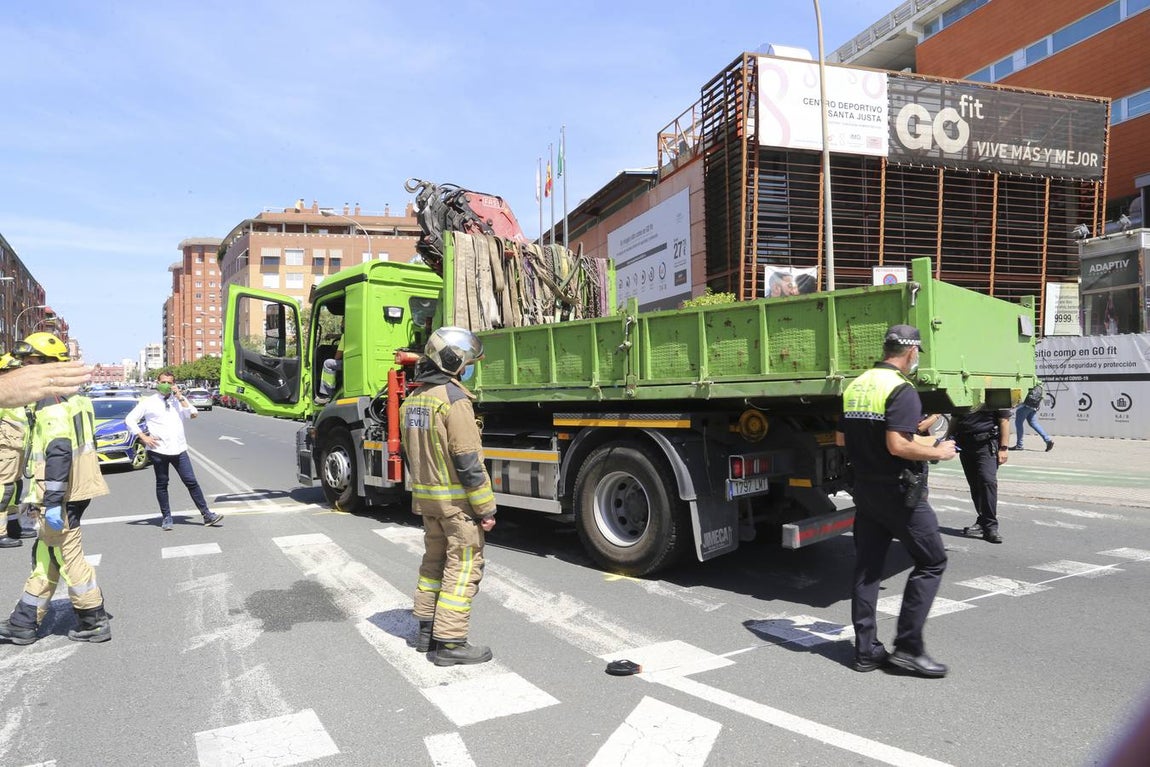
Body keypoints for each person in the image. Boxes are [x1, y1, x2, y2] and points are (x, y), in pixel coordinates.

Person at [838, 324, 956, 678]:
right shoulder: (902, 390)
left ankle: (865, 652)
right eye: (917, 353)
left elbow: (842, 439)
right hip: (899, 492)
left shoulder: (855, 385)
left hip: (865, 489)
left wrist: (905, 433)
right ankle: (907, 649)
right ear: (910, 352)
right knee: (932, 560)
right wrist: (938, 451)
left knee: (868, 567)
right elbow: (897, 446)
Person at [0, 333, 112, 644]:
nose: (24, 370)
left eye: (30, 363)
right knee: (47, 554)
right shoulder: (76, 398)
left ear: (49, 365)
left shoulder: (52, 402)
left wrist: (51, 501)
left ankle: (92, 618)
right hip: (76, 488)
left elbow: (59, 451)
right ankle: (24, 620)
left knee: (66, 554)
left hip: (59, 494)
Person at [399, 326, 497, 667]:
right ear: (453, 362)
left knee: (433, 564)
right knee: (463, 568)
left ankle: (427, 631)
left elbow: (413, 455)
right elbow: (469, 461)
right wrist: (486, 508)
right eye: (466, 361)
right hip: (458, 506)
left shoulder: (414, 400)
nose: (468, 368)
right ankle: (451, 643)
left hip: (429, 503)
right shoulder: (454, 402)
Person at [124, 371, 222, 531]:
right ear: (157, 382)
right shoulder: (148, 402)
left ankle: (207, 514)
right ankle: (167, 517)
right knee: (162, 483)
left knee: (191, 481)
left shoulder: (178, 401)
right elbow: (129, 419)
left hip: (179, 449)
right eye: (163, 382)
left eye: (170, 383)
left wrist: (180, 397)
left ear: (174, 384)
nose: (166, 385)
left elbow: (193, 414)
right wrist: (143, 436)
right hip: (158, 450)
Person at [952, 403, 1012, 544]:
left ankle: (991, 527)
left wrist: (1004, 448)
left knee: (987, 481)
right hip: (965, 444)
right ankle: (982, 520)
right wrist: (947, 438)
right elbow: (955, 419)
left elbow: (1004, 420)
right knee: (975, 485)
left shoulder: (994, 394)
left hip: (986, 444)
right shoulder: (961, 392)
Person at [0, 354, 35, 548]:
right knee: (4, 490)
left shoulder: (18, 393)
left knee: (15, 489)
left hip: (18, 449)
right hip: (5, 449)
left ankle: (13, 527)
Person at [1010, 382, 1054, 452]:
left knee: (1019, 423)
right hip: (1034, 406)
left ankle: (1019, 445)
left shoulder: (1026, 380)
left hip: (1026, 406)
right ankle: (1048, 440)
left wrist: (1016, 404)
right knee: (1033, 423)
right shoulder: (1038, 384)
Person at [314, 326, 344, 405]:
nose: (341, 324)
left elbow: (337, 357)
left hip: (348, 363)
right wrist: (334, 336)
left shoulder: (345, 337)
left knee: (328, 363)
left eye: (342, 322)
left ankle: (327, 394)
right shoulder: (354, 333)